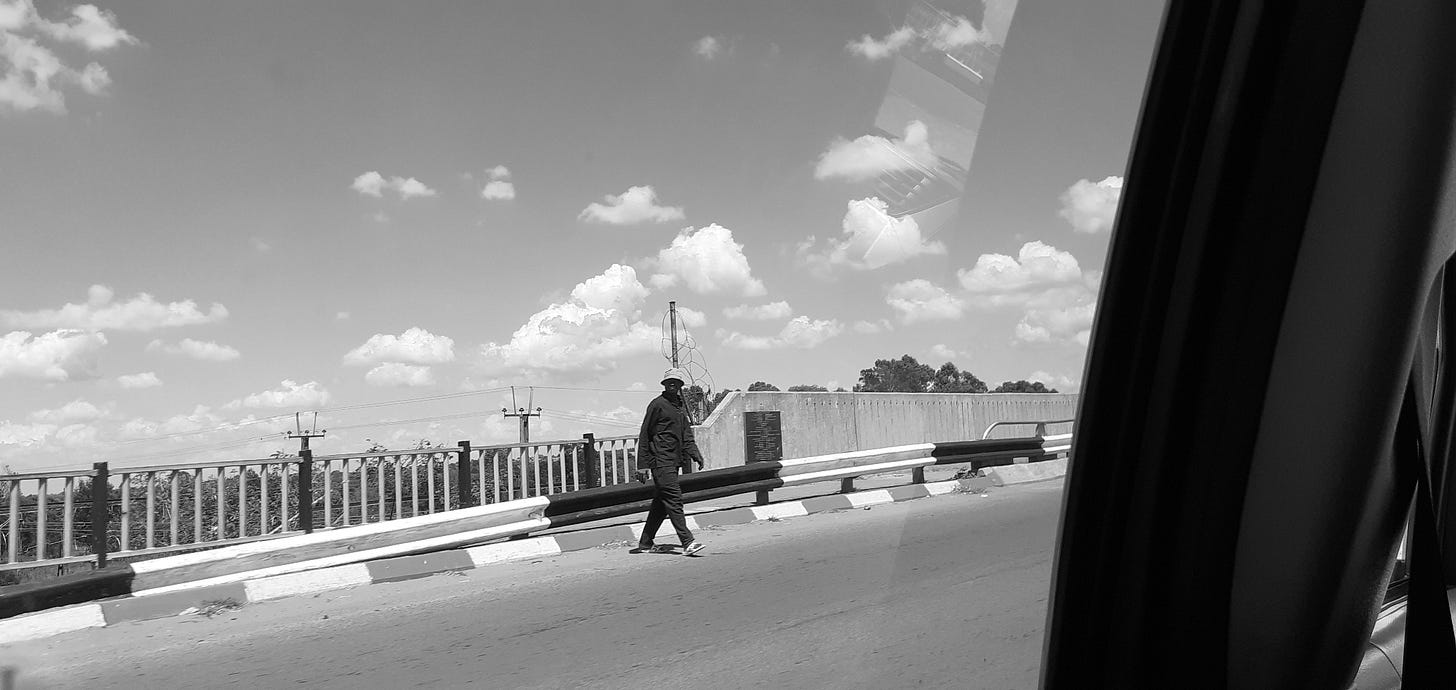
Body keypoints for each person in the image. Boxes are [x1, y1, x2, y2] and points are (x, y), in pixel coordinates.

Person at [633, 367, 706, 556]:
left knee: (661, 504)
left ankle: (645, 543)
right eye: (669, 382)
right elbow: (644, 433)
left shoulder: (679, 407)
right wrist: (642, 465)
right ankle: (687, 542)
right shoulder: (657, 404)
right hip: (660, 460)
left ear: (681, 385)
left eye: (676, 382)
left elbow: (686, 435)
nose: (672, 384)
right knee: (674, 499)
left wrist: (695, 454)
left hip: (674, 461)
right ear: (664, 384)